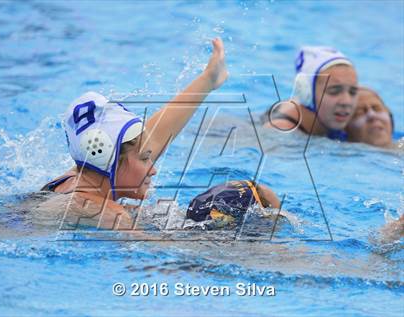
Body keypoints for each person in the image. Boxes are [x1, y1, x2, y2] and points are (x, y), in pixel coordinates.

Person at [40, 38, 280, 230]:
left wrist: (208, 79)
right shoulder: (109, 214)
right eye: (146, 158)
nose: (153, 167)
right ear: (107, 160)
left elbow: (154, 135)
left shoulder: (76, 179)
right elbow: (169, 262)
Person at [262, 46, 359, 140]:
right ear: (306, 93)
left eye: (353, 92)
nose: (346, 101)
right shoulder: (280, 133)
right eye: (334, 91)